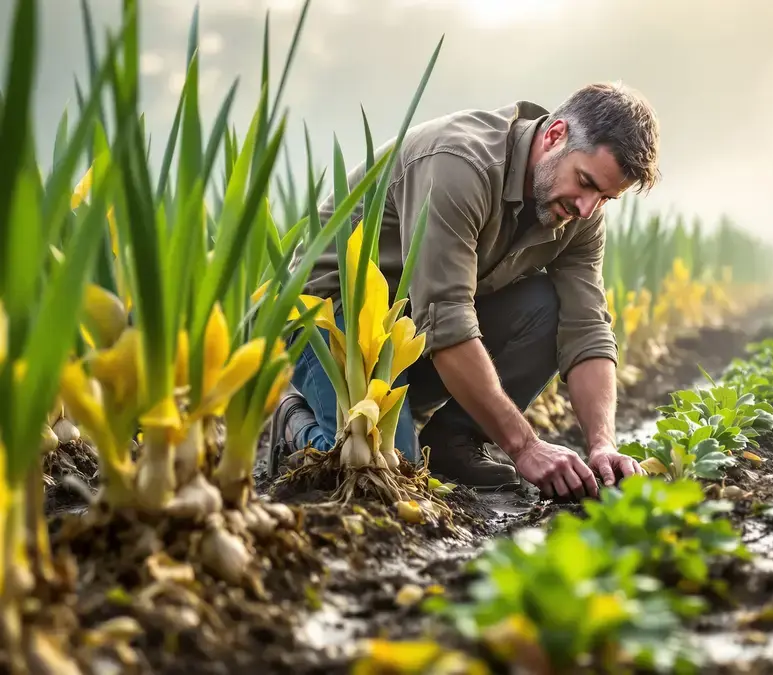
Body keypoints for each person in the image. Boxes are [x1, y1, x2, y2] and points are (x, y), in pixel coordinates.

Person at [267, 82, 658, 500]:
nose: (587, 208)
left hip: (408, 332)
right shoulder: (459, 165)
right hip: (333, 320)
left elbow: (587, 326)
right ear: (555, 135)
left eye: (605, 197)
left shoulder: (580, 213)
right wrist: (524, 446)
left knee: (550, 306)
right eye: (585, 182)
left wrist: (603, 444)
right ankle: (295, 423)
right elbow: (446, 320)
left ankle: (454, 443)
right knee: (383, 468)